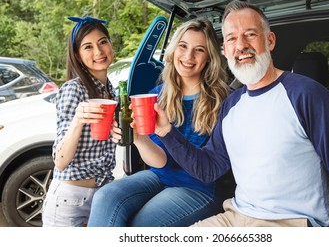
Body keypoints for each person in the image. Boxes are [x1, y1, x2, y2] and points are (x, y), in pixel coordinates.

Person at [149, 0, 329, 227]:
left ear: (270, 40)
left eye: (250, 34)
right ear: (225, 50)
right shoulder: (231, 103)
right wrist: (166, 131)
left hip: (291, 223)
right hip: (235, 216)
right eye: (232, 38)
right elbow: (209, 169)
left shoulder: (306, 95)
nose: (241, 45)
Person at [87, 18, 231, 227]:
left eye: (199, 50)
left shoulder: (223, 101)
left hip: (199, 188)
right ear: (173, 50)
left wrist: (166, 131)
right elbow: (161, 162)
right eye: (183, 46)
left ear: (209, 57)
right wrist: (137, 137)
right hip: (159, 176)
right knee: (105, 196)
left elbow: (211, 168)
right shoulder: (157, 97)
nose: (188, 56)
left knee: (139, 226)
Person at [42, 17, 118, 227]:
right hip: (69, 200)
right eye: (88, 47)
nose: (98, 52)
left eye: (103, 42)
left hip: (102, 195)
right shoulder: (73, 89)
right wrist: (78, 120)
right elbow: (60, 161)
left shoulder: (111, 90)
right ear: (77, 54)